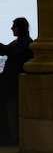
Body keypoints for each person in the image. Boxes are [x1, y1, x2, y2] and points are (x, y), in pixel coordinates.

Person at [0, 17, 34, 145]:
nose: (12, 28)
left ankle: (7, 138)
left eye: (14, 26)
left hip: (11, 84)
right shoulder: (23, 42)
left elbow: (9, 51)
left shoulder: (21, 43)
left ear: (19, 28)